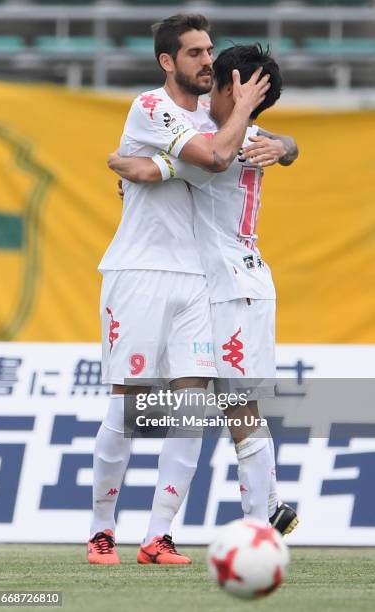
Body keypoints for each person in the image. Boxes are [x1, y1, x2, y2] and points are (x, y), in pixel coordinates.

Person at [88, 14, 272, 566]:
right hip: (140, 270)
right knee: (132, 405)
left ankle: (157, 535)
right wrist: (239, 115)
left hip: (195, 279)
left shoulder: (214, 116)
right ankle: (101, 530)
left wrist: (278, 143)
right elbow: (216, 156)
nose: (208, 61)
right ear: (167, 61)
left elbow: (270, 145)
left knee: (191, 407)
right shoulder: (151, 106)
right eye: (194, 52)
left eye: (210, 50)